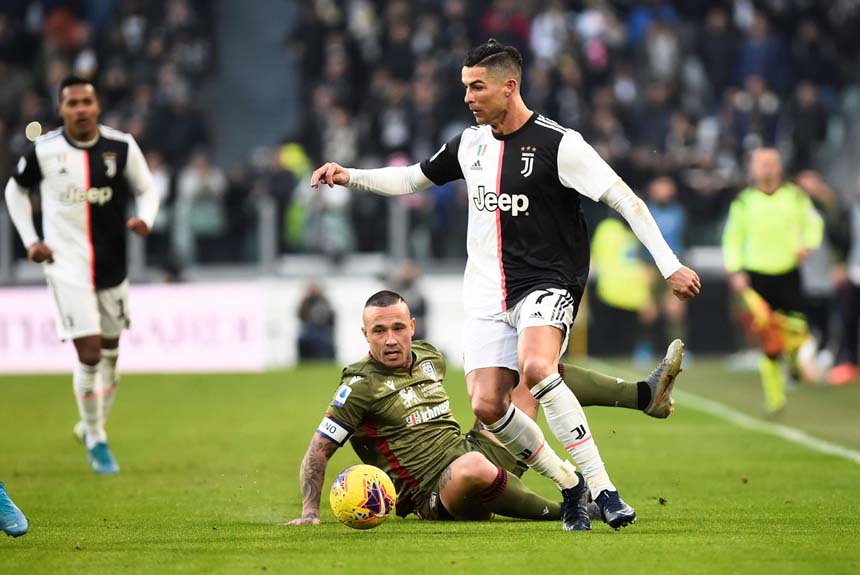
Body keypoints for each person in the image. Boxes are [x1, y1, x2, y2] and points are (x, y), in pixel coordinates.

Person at [311, 40, 700, 530]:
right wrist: (351, 177)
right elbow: (413, 179)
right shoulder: (470, 144)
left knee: (537, 367)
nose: (468, 97)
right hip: (487, 294)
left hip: (546, 282)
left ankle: (603, 487)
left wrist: (669, 266)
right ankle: (569, 483)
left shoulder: (561, 144)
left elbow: (626, 200)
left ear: (508, 87)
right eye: (465, 87)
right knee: (488, 404)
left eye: (477, 87)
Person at [286, 291, 684, 529]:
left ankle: (644, 396)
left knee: (532, 371)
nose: (390, 339)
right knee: (473, 467)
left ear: (412, 325)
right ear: (364, 334)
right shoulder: (358, 386)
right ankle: (570, 506)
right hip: (434, 494)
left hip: (470, 448)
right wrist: (309, 511)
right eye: (378, 331)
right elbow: (319, 450)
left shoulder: (429, 356)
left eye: (398, 328)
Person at [4, 76, 160, 474]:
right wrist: (31, 240)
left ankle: (90, 425)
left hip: (112, 265)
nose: (81, 109)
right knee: (89, 354)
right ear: (60, 109)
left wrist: (145, 218)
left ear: (97, 105)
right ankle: (97, 437)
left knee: (111, 357)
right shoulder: (44, 150)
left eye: (87, 101)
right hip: (66, 264)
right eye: (72, 102)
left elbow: (148, 188)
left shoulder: (121, 146)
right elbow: (14, 192)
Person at [722, 148, 823, 414]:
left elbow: (814, 224)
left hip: (788, 272)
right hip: (757, 276)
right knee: (768, 335)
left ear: (779, 167)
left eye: (771, 163)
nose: (766, 168)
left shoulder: (796, 197)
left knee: (797, 329)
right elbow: (732, 237)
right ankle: (775, 398)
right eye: (761, 163)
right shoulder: (743, 202)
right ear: (753, 168)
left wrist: (808, 245)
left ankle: (793, 364)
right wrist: (735, 270)